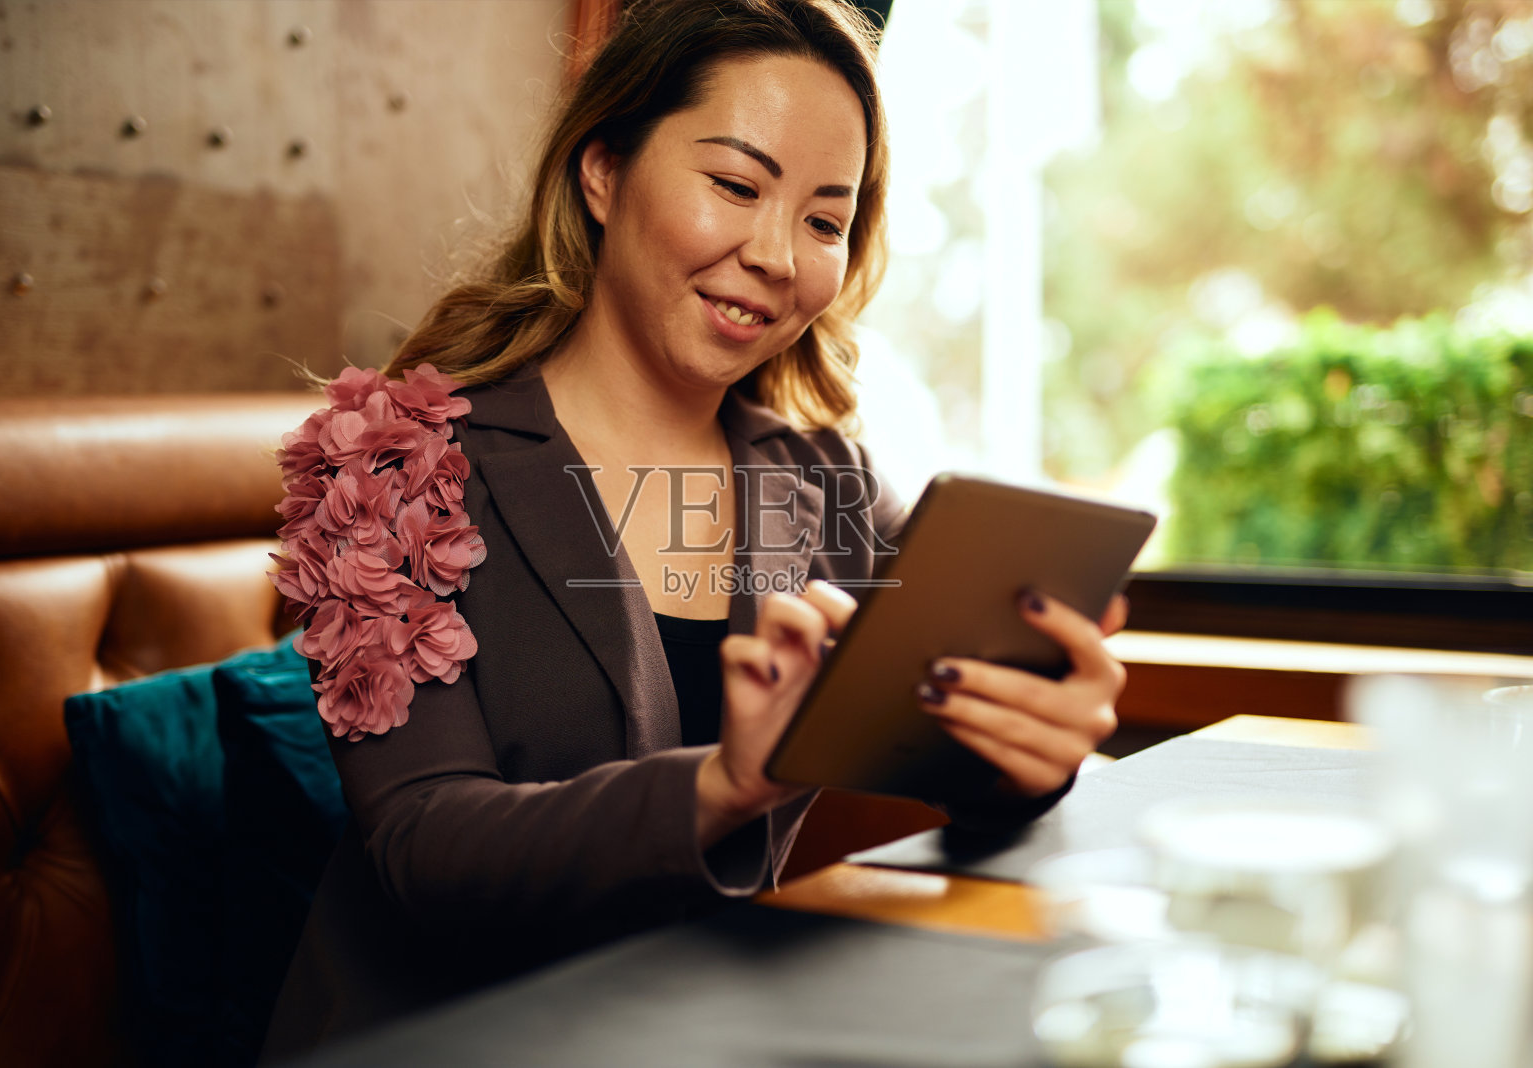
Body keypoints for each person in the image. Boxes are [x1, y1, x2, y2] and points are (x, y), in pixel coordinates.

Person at [263, 0, 1126, 1056]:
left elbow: (958, 754)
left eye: (824, 221)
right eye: (735, 185)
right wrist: (721, 788)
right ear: (603, 171)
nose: (777, 255)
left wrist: (1030, 751)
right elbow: (421, 847)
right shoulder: (384, 463)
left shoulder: (830, 482)